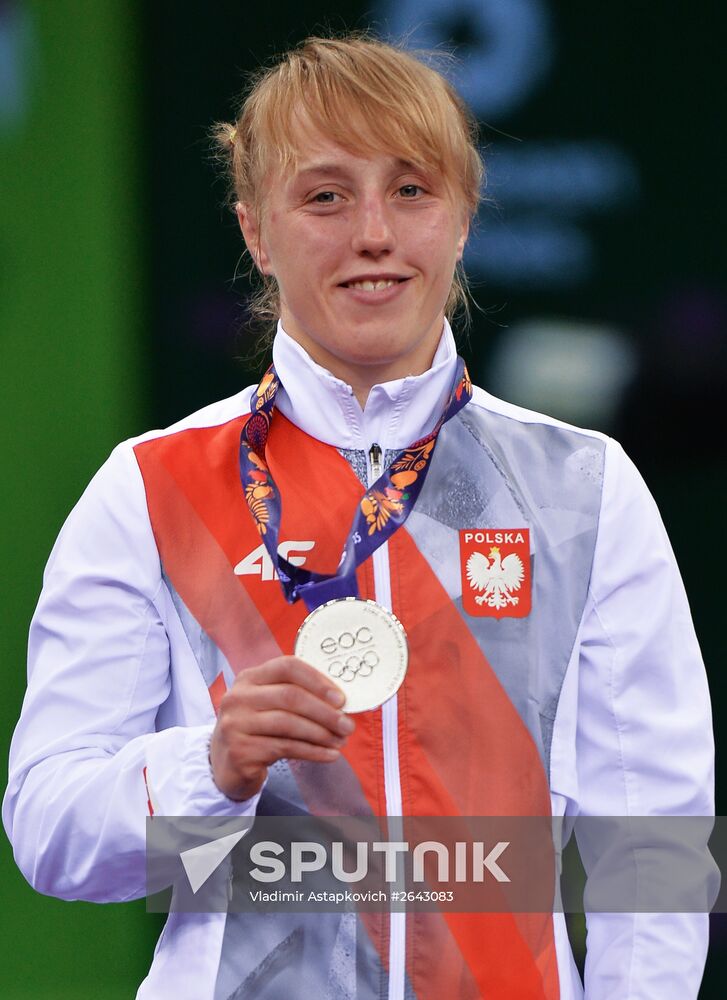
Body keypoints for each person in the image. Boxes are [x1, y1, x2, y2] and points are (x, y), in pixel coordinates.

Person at [3, 34, 715, 1000]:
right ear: (256, 232)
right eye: (325, 196)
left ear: (462, 219)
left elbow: (655, 845)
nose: (373, 234)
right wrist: (208, 765)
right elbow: (49, 831)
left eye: (411, 190)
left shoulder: (583, 489)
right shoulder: (151, 486)